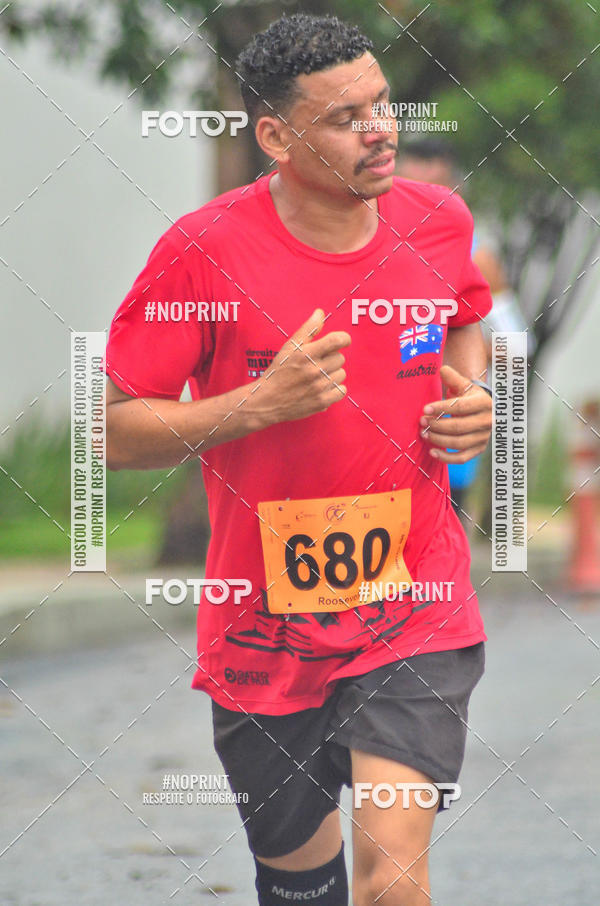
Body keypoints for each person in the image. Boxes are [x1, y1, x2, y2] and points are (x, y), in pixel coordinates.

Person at [105, 14, 493, 906]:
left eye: (385, 104)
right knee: (300, 887)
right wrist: (256, 404)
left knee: (392, 879)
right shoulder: (204, 254)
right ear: (276, 136)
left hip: (414, 600)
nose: (383, 129)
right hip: (262, 624)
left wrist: (471, 396)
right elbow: (115, 432)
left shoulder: (437, 222)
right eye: (347, 117)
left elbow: (464, 314)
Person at [397, 139, 529, 523]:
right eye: (408, 191)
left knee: (438, 534)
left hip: (447, 427)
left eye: (433, 193)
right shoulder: (371, 248)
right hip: (380, 427)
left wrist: (465, 375)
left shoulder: (477, 256)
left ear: (455, 191)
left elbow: (515, 342)